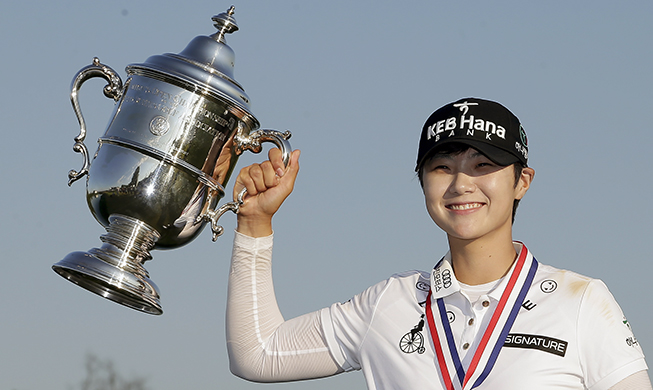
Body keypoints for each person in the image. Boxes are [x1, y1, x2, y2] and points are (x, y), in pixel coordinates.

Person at [226, 97, 651, 389]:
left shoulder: (581, 302)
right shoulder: (389, 304)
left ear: (522, 181)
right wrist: (254, 222)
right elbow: (258, 354)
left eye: (483, 164)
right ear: (423, 183)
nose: (462, 183)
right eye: (442, 166)